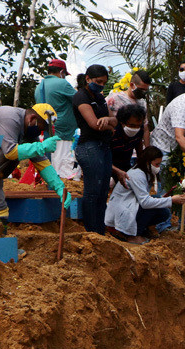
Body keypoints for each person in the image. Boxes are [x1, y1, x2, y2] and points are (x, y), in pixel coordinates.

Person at [68, 64, 117, 234]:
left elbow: (114, 121)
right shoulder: (80, 97)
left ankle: (100, 230)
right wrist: (107, 124)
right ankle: (91, 231)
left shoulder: (100, 97)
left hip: (103, 146)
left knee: (103, 191)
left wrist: (107, 122)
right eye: (98, 81)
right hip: (89, 147)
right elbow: (94, 124)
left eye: (104, 82)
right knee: (93, 191)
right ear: (87, 79)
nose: (101, 85)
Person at [104, 146, 184, 243]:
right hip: (123, 207)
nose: (158, 167)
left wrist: (164, 198)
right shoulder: (137, 174)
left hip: (130, 203)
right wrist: (171, 200)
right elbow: (145, 202)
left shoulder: (146, 172)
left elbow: (144, 196)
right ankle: (133, 235)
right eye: (156, 164)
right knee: (157, 210)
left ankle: (141, 229)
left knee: (163, 211)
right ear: (147, 162)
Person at [34, 59, 79, 179]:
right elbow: (79, 101)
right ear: (62, 72)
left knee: (52, 165)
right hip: (64, 132)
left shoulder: (39, 87)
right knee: (66, 170)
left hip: (48, 132)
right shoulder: (62, 84)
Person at [111, 104, 146, 187]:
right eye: (132, 125)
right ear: (122, 122)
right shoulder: (112, 133)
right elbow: (103, 159)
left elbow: (139, 149)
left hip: (125, 166)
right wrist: (116, 171)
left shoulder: (139, 131)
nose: (135, 129)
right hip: (108, 167)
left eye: (138, 126)